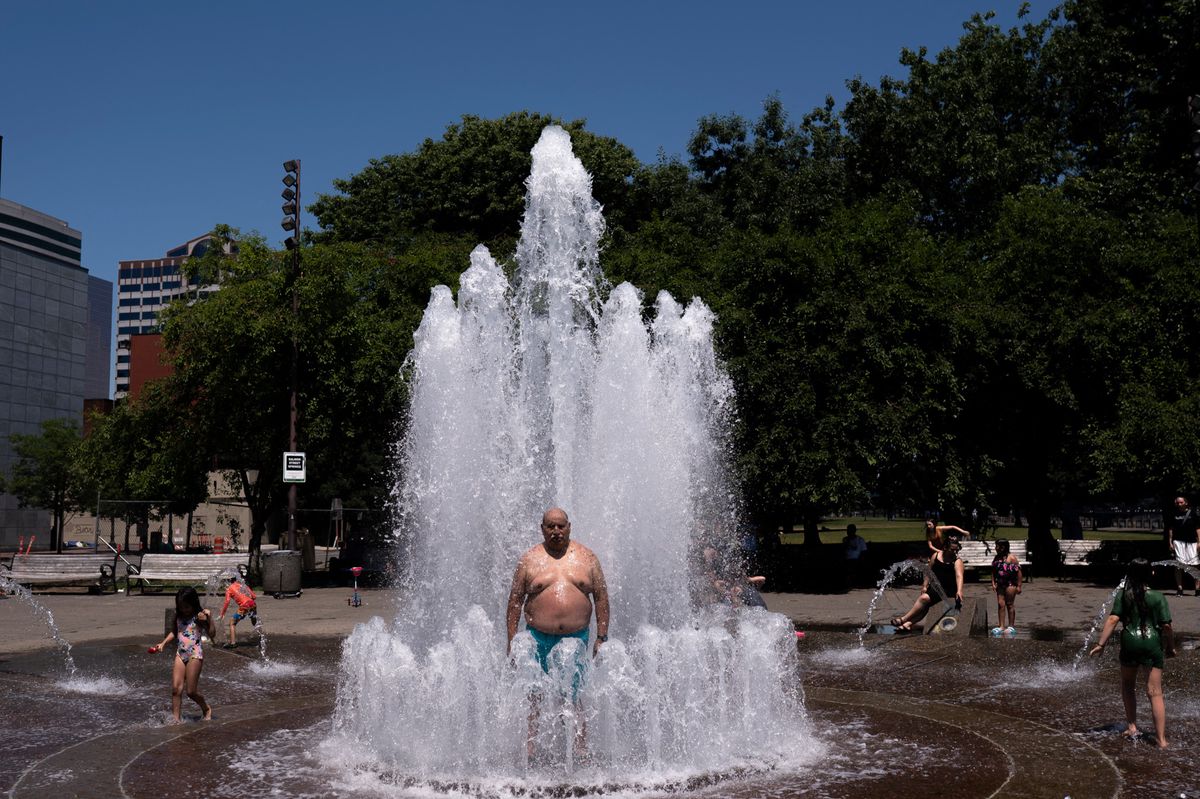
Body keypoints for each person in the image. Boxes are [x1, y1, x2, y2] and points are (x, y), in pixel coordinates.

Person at [506, 507, 610, 755]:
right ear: (542, 528)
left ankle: (580, 749)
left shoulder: (587, 558)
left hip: (575, 638)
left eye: (560, 526)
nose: (555, 531)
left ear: (569, 527)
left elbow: (602, 598)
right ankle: (529, 749)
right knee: (534, 695)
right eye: (550, 526)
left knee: (573, 694)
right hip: (536, 637)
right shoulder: (529, 559)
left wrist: (601, 637)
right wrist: (511, 642)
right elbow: (515, 601)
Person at [1089, 558, 1176, 748]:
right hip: (1152, 643)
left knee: (1128, 685)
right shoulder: (1158, 597)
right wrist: (1170, 647)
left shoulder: (1123, 595)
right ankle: (1161, 740)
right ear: (1151, 574)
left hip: (1129, 642)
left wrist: (1101, 644)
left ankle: (1132, 726)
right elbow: (1167, 627)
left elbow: (1112, 619)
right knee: (1155, 692)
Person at [149, 587, 215, 723]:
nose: (184, 609)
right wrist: (163, 643)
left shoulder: (199, 617)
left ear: (193, 603)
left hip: (194, 654)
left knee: (191, 691)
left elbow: (212, 634)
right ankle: (176, 720)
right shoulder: (178, 616)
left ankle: (206, 708)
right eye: (181, 606)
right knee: (175, 689)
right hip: (180, 653)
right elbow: (175, 631)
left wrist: (209, 618)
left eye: (187, 606)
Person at [891, 533, 965, 632]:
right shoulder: (936, 556)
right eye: (952, 549)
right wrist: (925, 585)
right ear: (946, 547)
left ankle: (904, 619)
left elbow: (959, 576)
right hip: (935, 588)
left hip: (948, 590)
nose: (955, 551)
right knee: (925, 605)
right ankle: (908, 624)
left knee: (924, 598)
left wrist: (959, 591)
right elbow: (928, 571)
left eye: (957, 549)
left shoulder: (957, 561)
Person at [1166, 496, 1199, 596]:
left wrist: (1199, 542)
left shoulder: (1193, 514)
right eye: (1177, 503)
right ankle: (1179, 588)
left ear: (1186, 503)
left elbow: (1198, 528)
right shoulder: (1173, 514)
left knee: (1195, 565)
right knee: (1179, 565)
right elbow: (1170, 529)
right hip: (1178, 542)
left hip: (1192, 541)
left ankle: (1197, 589)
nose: (1179, 504)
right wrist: (1170, 542)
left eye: (1181, 502)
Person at [990, 538, 1022, 635]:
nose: (995, 548)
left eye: (997, 546)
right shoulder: (996, 558)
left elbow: (1019, 572)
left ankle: (1011, 626)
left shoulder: (1011, 558)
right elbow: (993, 571)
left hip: (1010, 584)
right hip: (1000, 584)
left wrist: (1019, 585)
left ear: (1003, 547)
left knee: (1009, 604)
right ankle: (1001, 625)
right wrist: (993, 582)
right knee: (1000, 604)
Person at [218, 573, 259, 648]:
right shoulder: (243, 585)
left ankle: (233, 643)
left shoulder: (229, 589)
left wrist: (222, 614)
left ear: (229, 582)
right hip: (253, 604)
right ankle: (260, 638)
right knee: (254, 621)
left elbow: (227, 602)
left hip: (244, 606)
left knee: (232, 622)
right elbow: (254, 596)